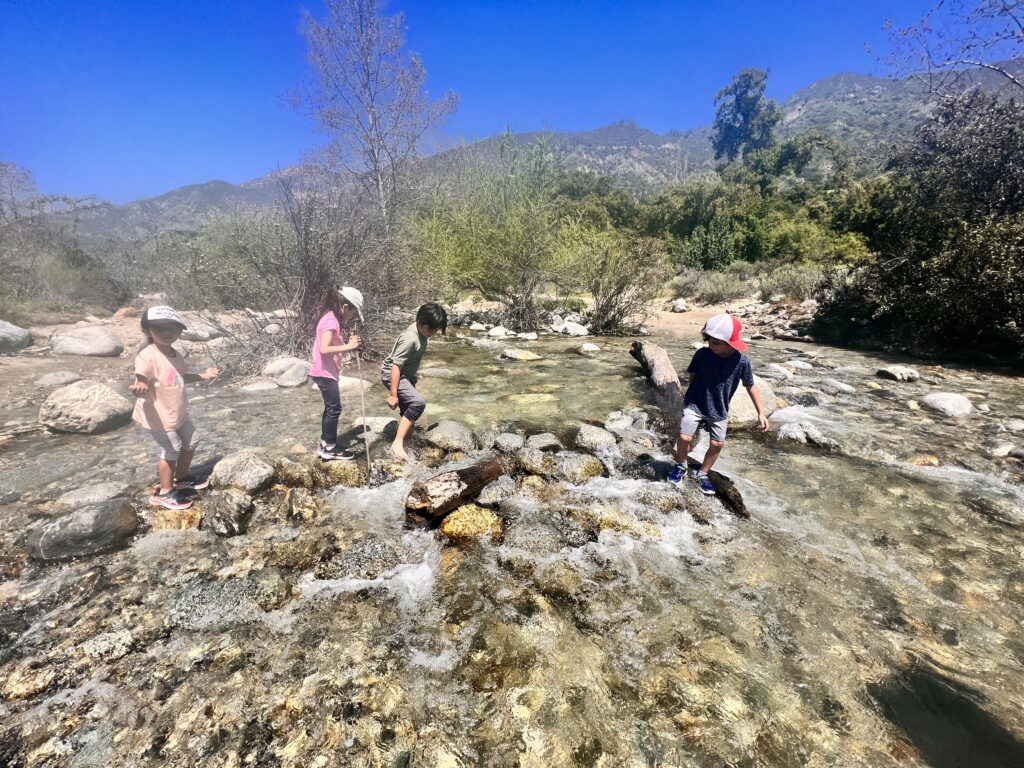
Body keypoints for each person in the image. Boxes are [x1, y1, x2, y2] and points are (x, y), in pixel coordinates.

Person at [668, 313, 769, 495]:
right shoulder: (702, 354)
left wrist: (761, 413)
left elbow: (750, 386)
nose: (711, 346)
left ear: (730, 342)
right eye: (709, 341)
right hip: (695, 403)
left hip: (719, 408)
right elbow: (693, 375)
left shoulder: (741, 362)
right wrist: (690, 394)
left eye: (716, 343)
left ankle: (702, 473)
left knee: (717, 444)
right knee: (684, 437)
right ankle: (681, 466)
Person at [130, 306, 219, 510]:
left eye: (173, 328)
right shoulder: (147, 355)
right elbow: (141, 379)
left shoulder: (175, 354)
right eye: (161, 328)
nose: (168, 333)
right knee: (171, 448)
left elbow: (178, 377)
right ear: (147, 330)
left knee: (192, 440)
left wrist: (203, 375)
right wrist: (140, 387)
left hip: (176, 410)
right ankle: (164, 492)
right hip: (158, 414)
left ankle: (181, 477)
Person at [380, 302, 447, 460]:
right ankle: (397, 444)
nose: (432, 333)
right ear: (420, 323)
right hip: (394, 374)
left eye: (436, 330)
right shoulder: (410, 338)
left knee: (408, 411)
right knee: (418, 403)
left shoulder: (421, 330)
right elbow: (395, 366)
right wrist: (393, 394)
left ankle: (406, 443)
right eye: (431, 329)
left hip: (406, 376)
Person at [310, 286, 363, 460]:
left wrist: (348, 343)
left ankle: (325, 443)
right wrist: (349, 346)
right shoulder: (331, 321)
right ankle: (330, 448)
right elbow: (324, 349)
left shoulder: (329, 316)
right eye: (353, 313)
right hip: (324, 371)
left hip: (324, 371)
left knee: (330, 408)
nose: (352, 317)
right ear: (345, 307)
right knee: (334, 409)